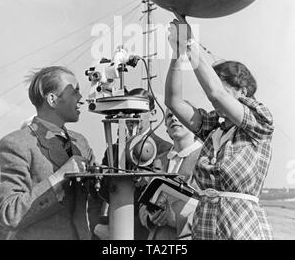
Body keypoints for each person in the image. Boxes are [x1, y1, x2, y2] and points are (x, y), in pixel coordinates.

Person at [164, 14, 274, 240]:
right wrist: (178, 54)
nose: (215, 94)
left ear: (242, 92)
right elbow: (173, 101)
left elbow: (216, 94)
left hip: (241, 227)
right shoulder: (213, 129)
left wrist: (190, 44)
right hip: (206, 226)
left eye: (222, 85)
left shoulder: (259, 125)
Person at [0, 66, 101, 240]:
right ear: (52, 99)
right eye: (74, 92)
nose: (81, 98)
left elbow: (98, 196)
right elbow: (10, 214)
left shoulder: (80, 142)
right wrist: (59, 177)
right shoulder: (15, 144)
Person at [93, 88, 172, 240]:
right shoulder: (113, 150)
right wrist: (96, 225)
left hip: (145, 233)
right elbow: (99, 194)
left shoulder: (164, 149)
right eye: (127, 111)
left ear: (153, 113)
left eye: (138, 111)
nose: (131, 117)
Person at [139, 108, 202, 240]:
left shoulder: (205, 159)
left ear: (195, 122)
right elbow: (143, 203)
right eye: (169, 116)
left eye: (179, 114)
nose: (174, 118)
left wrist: (174, 219)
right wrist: (150, 217)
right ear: (166, 127)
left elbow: (210, 206)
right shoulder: (158, 161)